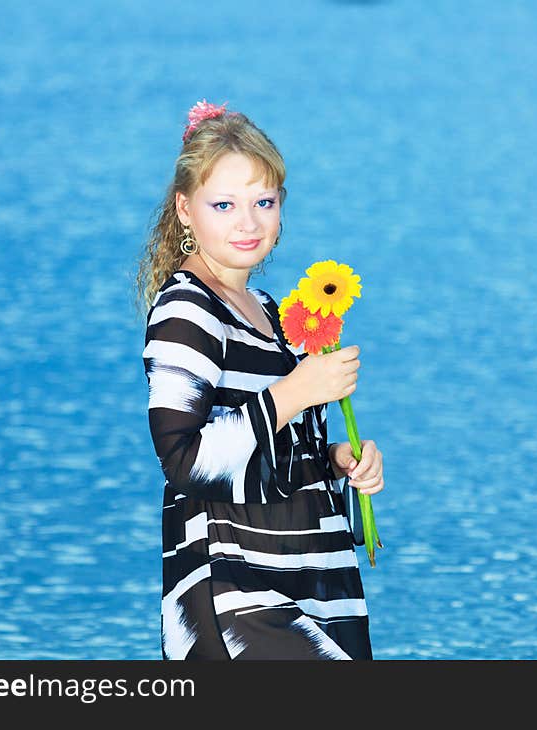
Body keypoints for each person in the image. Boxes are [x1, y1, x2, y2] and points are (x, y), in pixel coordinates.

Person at [133, 100, 385, 660]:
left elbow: (274, 455)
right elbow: (184, 460)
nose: (248, 223)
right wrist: (295, 392)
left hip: (312, 587)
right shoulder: (186, 311)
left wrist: (339, 460)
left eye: (263, 202)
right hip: (237, 598)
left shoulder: (268, 313)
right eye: (223, 204)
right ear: (185, 210)